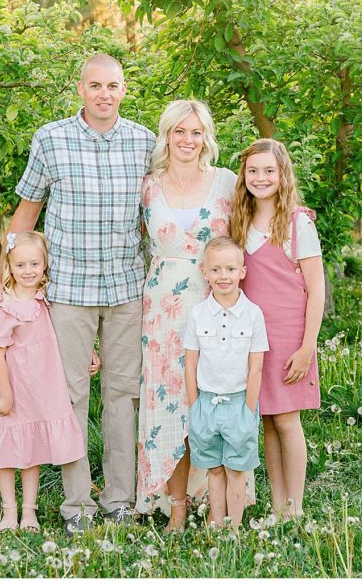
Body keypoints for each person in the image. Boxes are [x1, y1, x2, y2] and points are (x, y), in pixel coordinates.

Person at [0, 54, 155, 536]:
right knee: (71, 395)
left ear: (124, 90)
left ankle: (120, 499)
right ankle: (77, 504)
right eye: (96, 85)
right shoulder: (51, 139)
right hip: (68, 292)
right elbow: (26, 214)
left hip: (126, 287)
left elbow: (169, 205)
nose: (105, 94)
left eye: (114, 86)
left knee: (123, 394)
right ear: (80, 89)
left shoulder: (144, 143)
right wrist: (0, 282)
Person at [135, 99, 240, 533]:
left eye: (196, 132)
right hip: (161, 311)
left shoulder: (226, 184)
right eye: (179, 131)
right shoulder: (147, 186)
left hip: (214, 303)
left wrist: (296, 217)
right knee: (168, 408)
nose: (188, 140)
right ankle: (176, 503)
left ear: (206, 137)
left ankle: (216, 502)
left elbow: (257, 223)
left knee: (214, 402)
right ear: (166, 135)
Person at [230, 138, 325, 520]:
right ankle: (276, 504)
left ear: (282, 174)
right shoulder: (240, 222)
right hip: (252, 339)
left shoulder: (296, 222)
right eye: (253, 171)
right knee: (266, 418)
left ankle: (295, 508)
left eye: (269, 170)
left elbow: (316, 289)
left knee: (287, 419)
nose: (261, 177)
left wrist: (308, 347)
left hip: (289, 336)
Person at [0, 231, 88, 532]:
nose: (28, 271)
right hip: (14, 386)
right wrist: (5, 394)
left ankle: (29, 512)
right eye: (20, 265)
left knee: (32, 449)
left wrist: (88, 351)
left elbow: (63, 334)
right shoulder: (6, 306)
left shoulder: (47, 298)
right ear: (9, 267)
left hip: (42, 384)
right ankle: (8, 512)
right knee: (9, 447)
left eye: (34, 264)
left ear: (45, 265)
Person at [183, 236, 268, 528]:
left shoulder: (253, 314)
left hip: (238, 403)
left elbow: (256, 368)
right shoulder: (197, 314)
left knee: (235, 470)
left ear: (242, 272)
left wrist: (248, 408)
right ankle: (216, 523)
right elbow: (191, 363)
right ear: (205, 272)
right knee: (214, 470)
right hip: (206, 404)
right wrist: (194, 406)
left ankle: (235, 527)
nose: (223, 276)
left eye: (230, 269)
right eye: (216, 270)